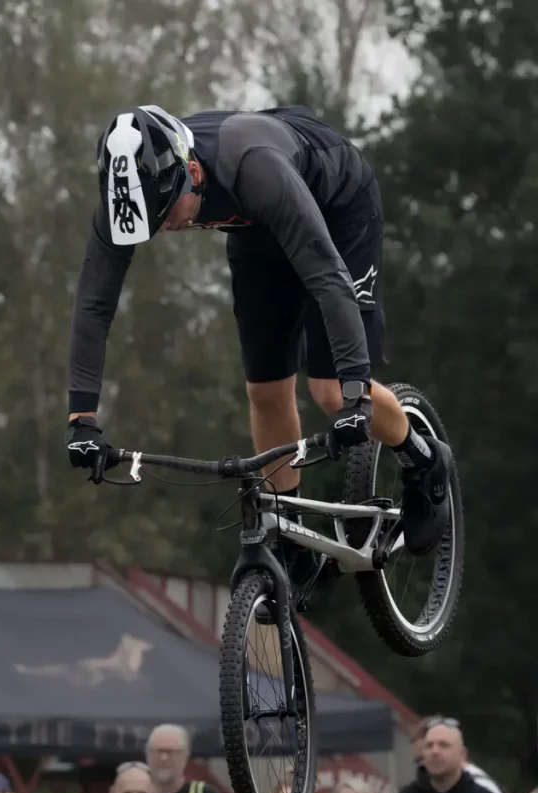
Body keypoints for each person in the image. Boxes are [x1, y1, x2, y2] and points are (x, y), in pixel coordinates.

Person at [64, 104, 453, 581]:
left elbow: (327, 276)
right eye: (149, 220)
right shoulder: (127, 195)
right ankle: (286, 534)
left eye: (165, 213)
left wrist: (355, 393)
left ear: (191, 172)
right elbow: (94, 306)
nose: (163, 228)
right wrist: (82, 420)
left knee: (329, 391)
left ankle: (425, 458)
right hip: (255, 229)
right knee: (265, 392)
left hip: (337, 210)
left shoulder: (252, 166)